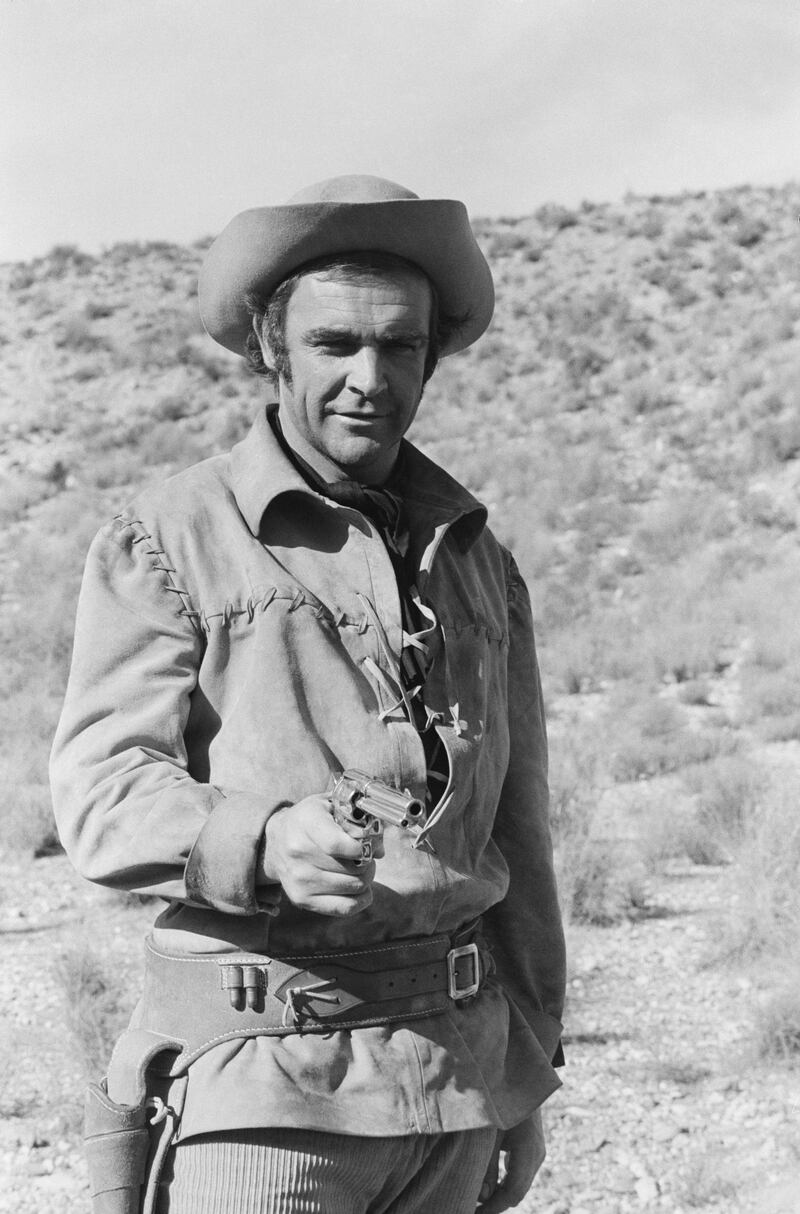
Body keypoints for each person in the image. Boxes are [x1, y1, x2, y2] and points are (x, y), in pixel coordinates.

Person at [50, 174, 566, 1214]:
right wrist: (265, 836)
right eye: (335, 343)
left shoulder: (473, 557)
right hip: (264, 1096)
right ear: (273, 351)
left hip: (453, 1089)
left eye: (399, 346)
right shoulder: (168, 536)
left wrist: (525, 1070)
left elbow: (518, 833)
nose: (370, 377)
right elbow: (100, 791)